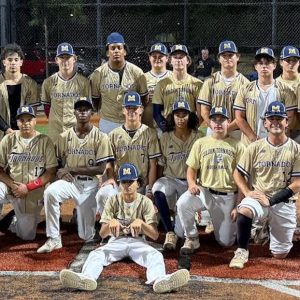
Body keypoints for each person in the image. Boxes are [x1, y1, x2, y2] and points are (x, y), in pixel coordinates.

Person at [59, 163, 190, 293]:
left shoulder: (145, 202)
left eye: (130, 182)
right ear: (119, 184)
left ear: (138, 183)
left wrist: (142, 224)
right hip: (116, 241)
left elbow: (155, 235)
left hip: (138, 241)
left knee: (155, 255)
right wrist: (110, 223)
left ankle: (160, 280)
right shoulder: (112, 200)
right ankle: (87, 278)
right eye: (124, 182)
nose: (127, 185)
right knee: (96, 254)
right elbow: (103, 234)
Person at [37, 98, 114, 253]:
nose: (83, 112)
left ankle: (84, 221)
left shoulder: (101, 137)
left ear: (92, 112)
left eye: (86, 109)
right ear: (74, 112)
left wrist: (71, 169)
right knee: (50, 192)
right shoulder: (65, 136)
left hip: (91, 186)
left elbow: (100, 169)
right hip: (71, 183)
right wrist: (59, 171)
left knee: (86, 235)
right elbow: (56, 162)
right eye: (79, 109)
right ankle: (54, 238)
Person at [229, 101, 300, 269]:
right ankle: (242, 250)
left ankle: (265, 230)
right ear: (265, 123)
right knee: (244, 210)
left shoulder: (296, 149)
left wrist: (273, 200)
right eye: (271, 119)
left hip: (283, 201)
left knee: (280, 255)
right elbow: (237, 173)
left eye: (279, 119)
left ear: (286, 122)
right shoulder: (255, 147)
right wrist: (247, 192)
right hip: (260, 198)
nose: (275, 122)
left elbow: (297, 183)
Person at [176, 106, 245, 255]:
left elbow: (243, 179)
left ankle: (222, 223)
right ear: (210, 123)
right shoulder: (201, 143)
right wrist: (192, 183)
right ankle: (192, 237)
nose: (218, 123)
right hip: (205, 192)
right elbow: (191, 168)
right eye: (214, 120)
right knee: (183, 203)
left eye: (222, 120)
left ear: (228, 122)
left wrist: (238, 205)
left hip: (227, 196)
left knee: (226, 243)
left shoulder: (238, 145)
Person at [96, 91, 161, 215]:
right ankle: (107, 224)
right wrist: (110, 179)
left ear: (141, 109)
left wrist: (149, 190)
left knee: (147, 222)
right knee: (102, 194)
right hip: (120, 184)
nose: (131, 111)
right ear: (123, 110)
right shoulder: (113, 135)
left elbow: (153, 164)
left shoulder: (150, 133)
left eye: (135, 108)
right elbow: (109, 162)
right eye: (128, 108)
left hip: (141, 185)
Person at [0, 105, 57, 240]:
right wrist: (13, 185)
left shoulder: (45, 141)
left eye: (29, 120)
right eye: (22, 120)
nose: (25, 123)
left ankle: (13, 219)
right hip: (10, 187)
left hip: (32, 193)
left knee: (27, 236)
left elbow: (51, 172)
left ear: (35, 121)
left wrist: (27, 187)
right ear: (17, 122)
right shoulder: (8, 140)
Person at [152, 100, 201, 250]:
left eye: (184, 114)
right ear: (172, 117)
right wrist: (153, 194)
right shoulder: (165, 137)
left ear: (189, 116)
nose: (180, 118)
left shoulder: (198, 136)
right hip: (171, 179)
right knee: (157, 189)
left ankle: (182, 233)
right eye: (177, 114)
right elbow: (160, 164)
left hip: (190, 183)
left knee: (182, 231)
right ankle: (169, 232)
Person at [233, 47, 297, 145]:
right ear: (255, 66)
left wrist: (278, 138)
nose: (264, 66)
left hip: (277, 143)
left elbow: (290, 117)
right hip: (251, 144)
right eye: (260, 63)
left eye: (267, 63)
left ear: (274, 65)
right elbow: (239, 117)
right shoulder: (245, 89)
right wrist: (253, 138)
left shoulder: (286, 90)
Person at [90, 32, 148, 133]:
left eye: (119, 48)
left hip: (130, 120)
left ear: (125, 51)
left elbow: (144, 99)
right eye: (112, 48)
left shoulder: (137, 72)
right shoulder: (98, 74)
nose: (116, 51)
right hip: (108, 121)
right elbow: (95, 100)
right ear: (107, 52)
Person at [41, 42, 91, 143]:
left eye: (68, 57)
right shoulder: (48, 82)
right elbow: (47, 107)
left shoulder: (84, 82)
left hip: (76, 130)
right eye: (62, 57)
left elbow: (88, 107)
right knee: (55, 158)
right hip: (55, 131)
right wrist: (55, 121)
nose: (65, 61)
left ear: (74, 59)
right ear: (56, 60)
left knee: (76, 158)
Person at [199, 41, 249, 138]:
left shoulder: (245, 83)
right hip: (213, 130)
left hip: (236, 131)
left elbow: (244, 114)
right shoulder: (210, 81)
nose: (227, 58)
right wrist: (215, 128)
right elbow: (204, 111)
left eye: (230, 55)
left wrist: (227, 129)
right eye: (224, 55)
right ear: (219, 59)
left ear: (238, 57)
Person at [152, 44, 203, 132]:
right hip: (169, 129)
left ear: (187, 60)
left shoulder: (197, 84)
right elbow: (156, 113)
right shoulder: (162, 84)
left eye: (181, 57)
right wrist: (167, 130)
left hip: (190, 129)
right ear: (170, 61)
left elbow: (201, 112)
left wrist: (194, 129)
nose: (178, 60)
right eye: (175, 57)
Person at [0, 43, 39, 140]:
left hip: (24, 134)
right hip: (2, 134)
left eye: (16, 60)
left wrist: (25, 129)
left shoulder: (31, 84)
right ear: (4, 62)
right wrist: (6, 128)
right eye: (9, 59)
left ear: (21, 62)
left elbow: (32, 113)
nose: (13, 63)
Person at [143, 43, 172, 128]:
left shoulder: (174, 77)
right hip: (147, 125)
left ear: (167, 58)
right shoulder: (142, 78)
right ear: (149, 58)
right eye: (154, 56)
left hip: (168, 125)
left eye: (160, 56)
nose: (157, 59)